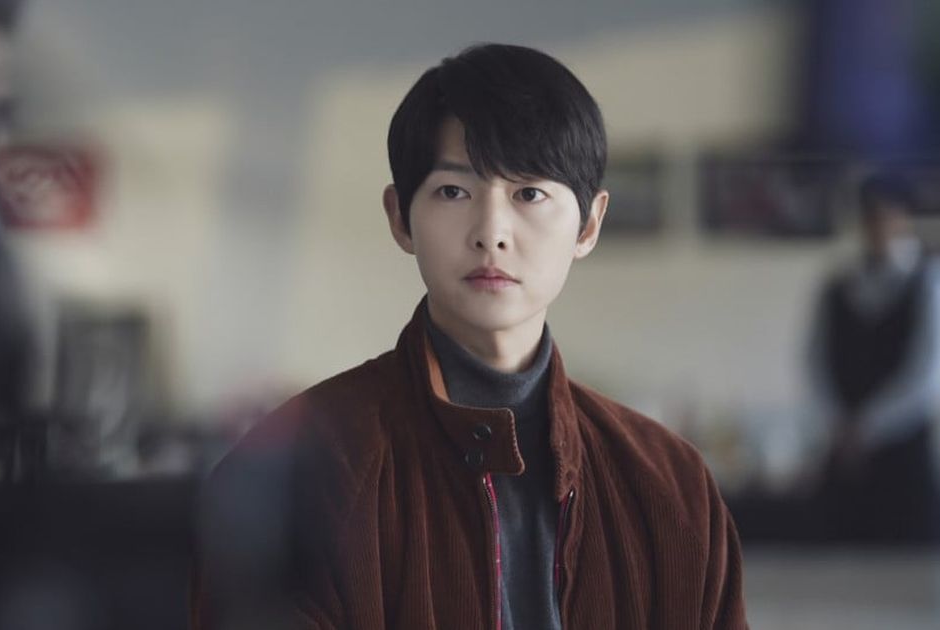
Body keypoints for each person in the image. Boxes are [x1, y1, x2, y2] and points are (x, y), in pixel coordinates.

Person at [191, 43, 747, 629]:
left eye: (529, 193)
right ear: (400, 217)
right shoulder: (295, 472)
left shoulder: (671, 486)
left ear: (588, 224)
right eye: (454, 192)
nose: (491, 232)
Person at [807, 171, 940, 542]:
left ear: (905, 218)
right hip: (845, 455)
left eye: (887, 215)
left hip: (903, 451)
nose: (878, 225)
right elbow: (815, 363)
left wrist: (867, 428)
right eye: (870, 216)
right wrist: (840, 424)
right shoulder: (838, 286)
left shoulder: (927, 283)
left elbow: (926, 374)